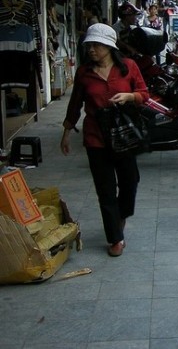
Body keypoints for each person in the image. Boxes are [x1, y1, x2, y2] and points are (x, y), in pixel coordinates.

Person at [60, 23, 149, 257]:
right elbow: (75, 103)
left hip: (124, 136)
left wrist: (130, 96)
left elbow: (144, 94)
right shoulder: (84, 73)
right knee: (105, 190)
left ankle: (121, 215)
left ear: (110, 47)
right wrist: (67, 132)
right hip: (95, 137)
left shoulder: (128, 67)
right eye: (90, 45)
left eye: (97, 45)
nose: (92, 50)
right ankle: (115, 237)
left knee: (130, 181)